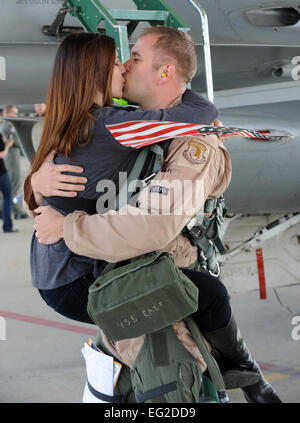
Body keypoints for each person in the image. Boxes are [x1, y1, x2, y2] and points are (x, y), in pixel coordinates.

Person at [25, 27, 281, 403]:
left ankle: (247, 377)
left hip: (81, 266)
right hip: (79, 275)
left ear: (164, 72)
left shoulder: (101, 121)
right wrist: (57, 212)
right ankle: (250, 379)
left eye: (134, 58)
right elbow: (201, 113)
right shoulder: (115, 125)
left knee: (198, 304)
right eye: (117, 61)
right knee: (187, 336)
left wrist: (36, 185)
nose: (125, 67)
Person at [1, 105, 28, 219]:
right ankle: (15, 211)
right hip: (11, 156)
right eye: (14, 113)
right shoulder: (6, 126)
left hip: (13, 154)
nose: (16, 115)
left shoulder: (8, 125)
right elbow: (14, 141)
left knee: (13, 184)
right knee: (13, 184)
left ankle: (10, 210)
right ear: (9, 113)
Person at [0, 115, 17, 233]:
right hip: (1, 172)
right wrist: (8, 145)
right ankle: (7, 226)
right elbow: (1, 154)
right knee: (7, 196)